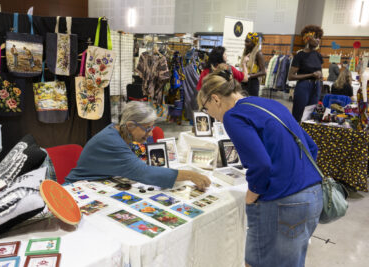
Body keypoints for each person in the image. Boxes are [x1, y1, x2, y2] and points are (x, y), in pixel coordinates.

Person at [198, 64, 323, 267]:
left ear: (215, 99)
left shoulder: (233, 116)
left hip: (283, 202)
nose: (209, 114)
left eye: (206, 108)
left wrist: (251, 195)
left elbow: (261, 164)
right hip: (314, 195)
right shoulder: (269, 104)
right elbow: (311, 147)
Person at [66, 101, 211, 190]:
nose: (150, 134)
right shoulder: (111, 141)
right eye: (147, 128)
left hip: (97, 184)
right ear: (130, 125)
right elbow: (143, 172)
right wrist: (190, 175)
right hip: (77, 188)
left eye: (151, 128)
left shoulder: (119, 132)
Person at [288, 25, 324, 123]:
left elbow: (320, 72)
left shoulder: (318, 55)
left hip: (316, 87)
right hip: (303, 86)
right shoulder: (300, 56)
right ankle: (294, 136)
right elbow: (291, 76)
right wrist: (311, 75)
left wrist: (320, 76)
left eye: (319, 38)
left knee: (311, 115)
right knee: (298, 113)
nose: (318, 40)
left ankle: (306, 136)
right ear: (308, 38)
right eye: (315, 37)